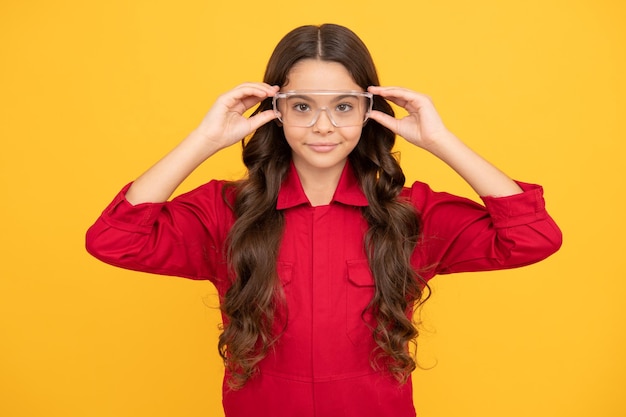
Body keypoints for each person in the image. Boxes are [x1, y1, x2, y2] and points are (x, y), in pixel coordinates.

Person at [85, 23, 562, 417]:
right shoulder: (224, 213)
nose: (322, 126)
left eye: (343, 106)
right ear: (274, 111)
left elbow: (533, 237)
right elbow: (112, 240)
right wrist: (204, 139)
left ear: (368, 111)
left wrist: (440, 141)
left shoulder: (411, 214)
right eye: (301, 106)